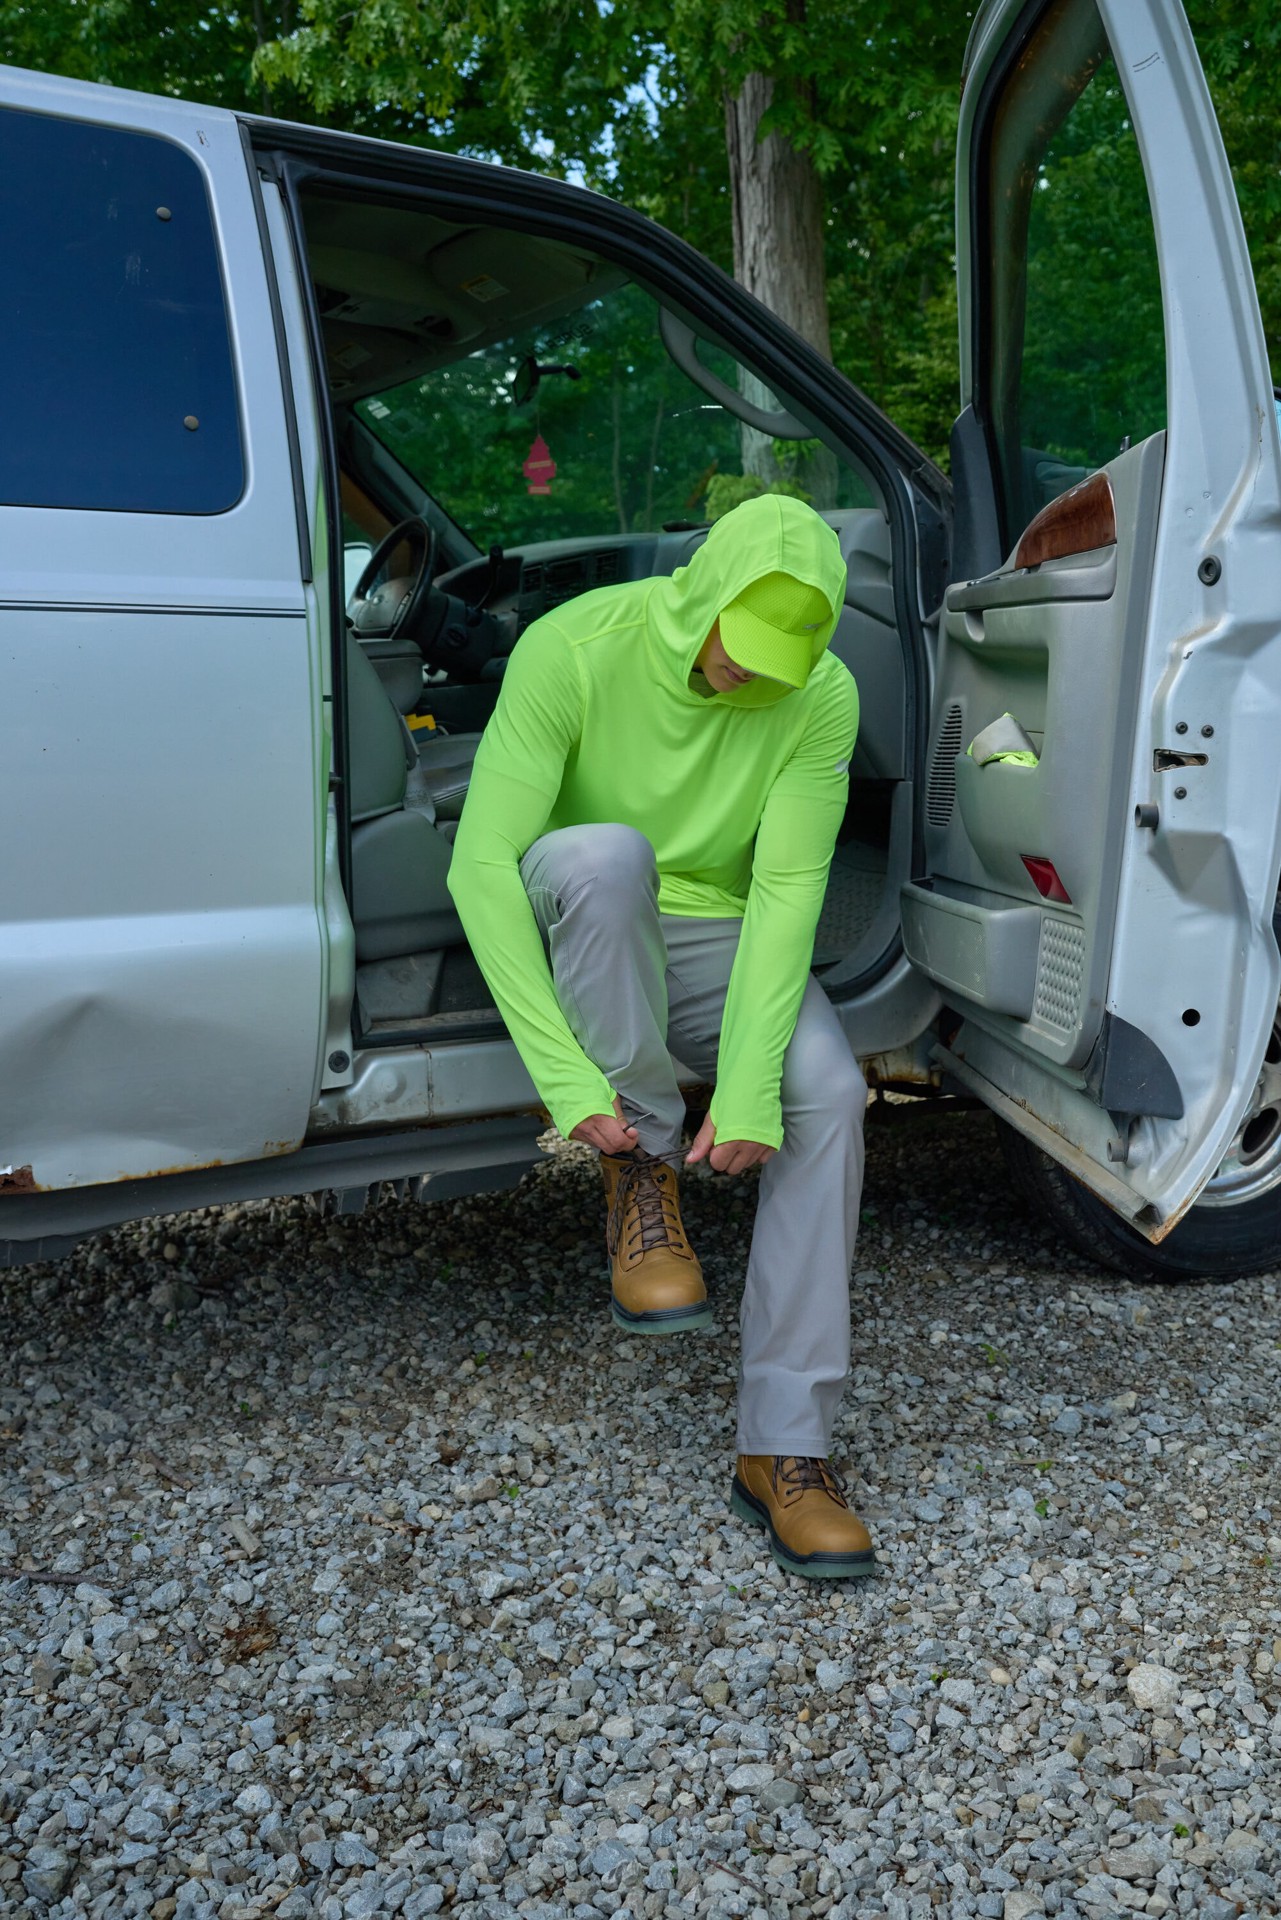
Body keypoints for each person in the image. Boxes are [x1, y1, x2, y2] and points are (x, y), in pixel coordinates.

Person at [448, 492, 874, 1579]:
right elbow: (482, 865)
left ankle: (785, 1451)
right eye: (747, 642)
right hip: (581, 907)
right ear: (701, 599)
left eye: (789, 652)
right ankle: (637, 1167)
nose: (757, 673)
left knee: (828, 1091)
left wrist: (748, 1088)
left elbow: (785, 892)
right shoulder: (576, 647)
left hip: (718, 927)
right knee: (604, 857)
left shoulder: (821, 695)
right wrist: (567, 1081)